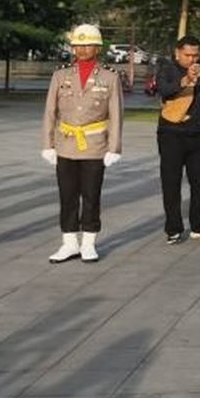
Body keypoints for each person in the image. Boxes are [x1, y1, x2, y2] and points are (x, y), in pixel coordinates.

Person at [41, 24, 124, 263]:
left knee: (91, 196)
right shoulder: (60, 75)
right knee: (67, 196)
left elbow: (116, 114)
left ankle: (88, 243)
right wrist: (48, 144)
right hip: (66, 144)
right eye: (78, 45)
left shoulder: (109, 77)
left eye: (88, 45)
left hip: (94, 146)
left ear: (98, 48)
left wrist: (114, 147)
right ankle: (69, 243)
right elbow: (50, 111)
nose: (82, 49)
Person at [155, 35, 200, 244]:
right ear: (177, 53)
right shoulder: (167, 69)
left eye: (195, 55)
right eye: (188, 55)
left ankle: (199, 226)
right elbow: (164, 90)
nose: (192, 59)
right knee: (171, 182)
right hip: (171, 133)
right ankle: (173, 228)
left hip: (197, 134)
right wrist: (186, 79)